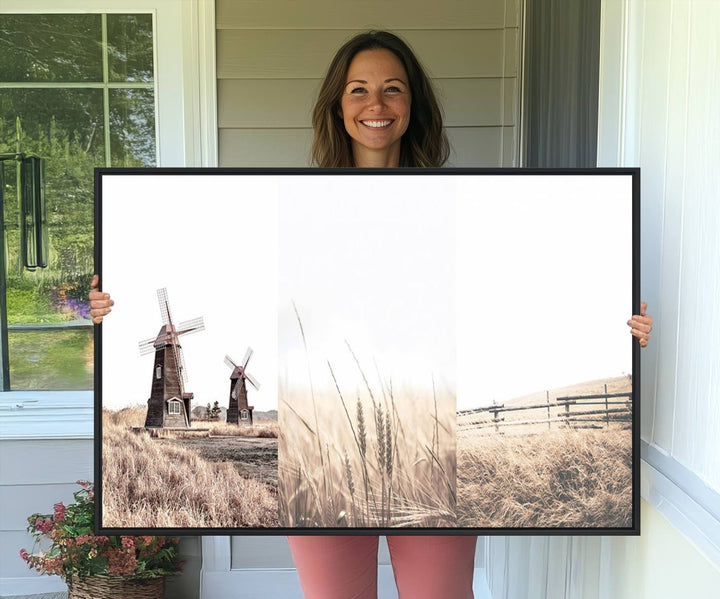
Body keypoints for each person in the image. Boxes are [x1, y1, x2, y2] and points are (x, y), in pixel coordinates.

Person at [89, 30, 653, 599]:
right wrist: (103, 307)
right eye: (358, 90)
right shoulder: (295, 208)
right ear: (338, 105)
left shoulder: (460, 207)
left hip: (425, 437)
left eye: (392, 89)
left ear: (413, 105)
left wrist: (614, 325)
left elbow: (514, 292)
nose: (376, 105)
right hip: (322, 445)